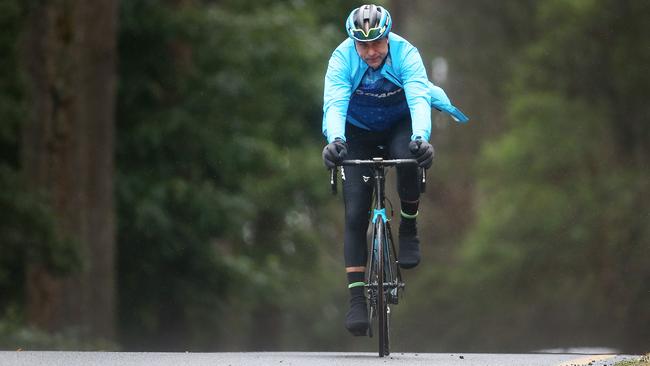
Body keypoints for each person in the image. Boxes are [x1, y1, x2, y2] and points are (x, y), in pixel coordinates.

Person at [321, 4, 469, 336]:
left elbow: (418, 96)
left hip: (400, 125)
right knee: (356, 209)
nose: (371, 52)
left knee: (408, 159)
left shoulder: (406, 53)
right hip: (356, 131)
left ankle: (409, 228)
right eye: (364, 45)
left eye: (377, 43)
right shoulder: (341, 59)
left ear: (388, 37)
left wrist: (422, 138)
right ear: (353, 43)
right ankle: (357, 301)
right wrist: (336, 140)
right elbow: (334, 102)